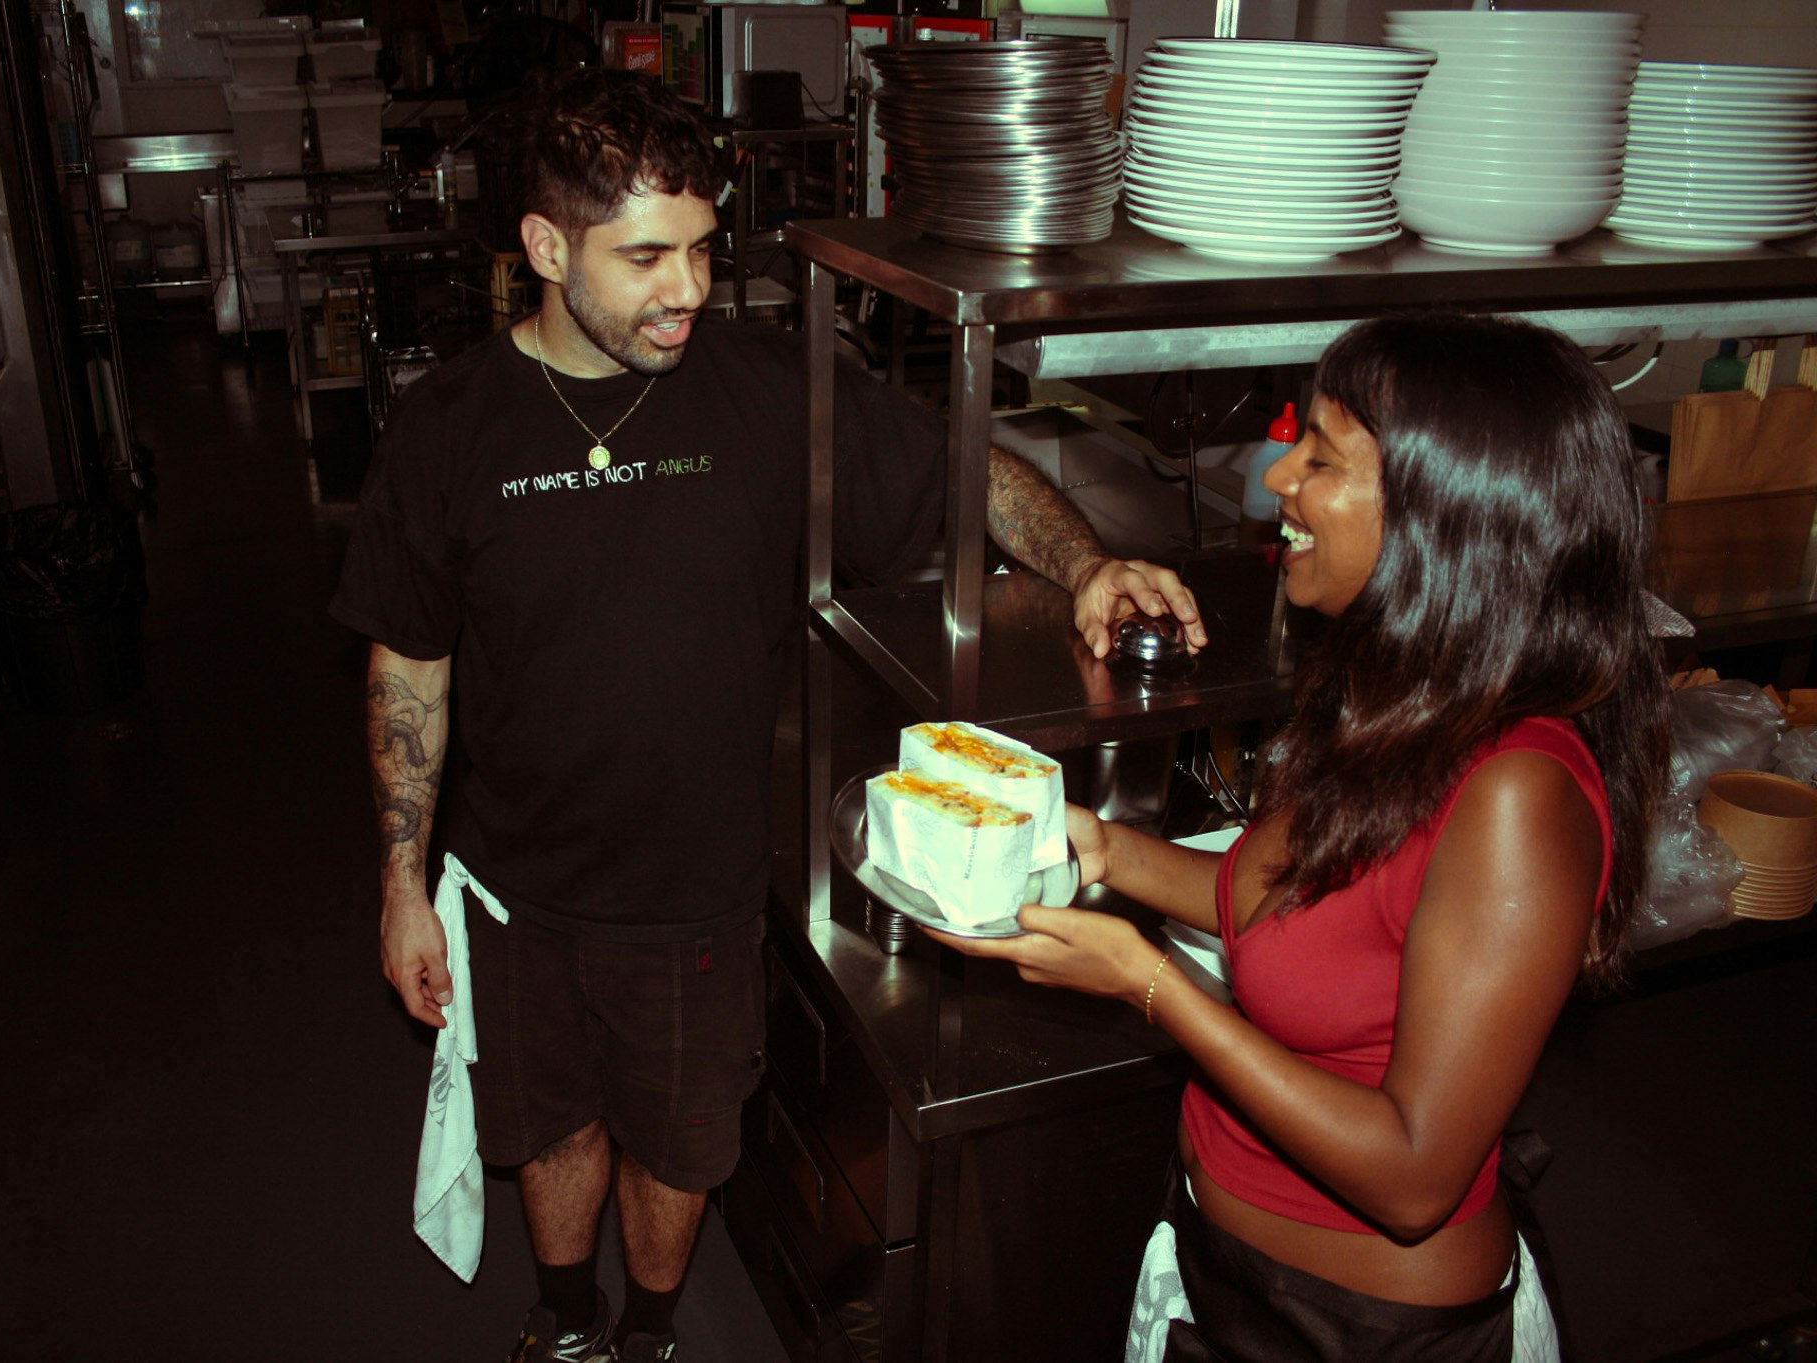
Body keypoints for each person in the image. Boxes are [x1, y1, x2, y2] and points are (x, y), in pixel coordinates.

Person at [329, 68, 1205, 1363]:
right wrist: (404, 879)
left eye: (700, 248)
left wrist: (1086, 566)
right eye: (646, 257)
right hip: (516, 888)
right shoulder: (450, 423)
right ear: (546, 247)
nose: (686, 287)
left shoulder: (764, 396)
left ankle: (653, 1330)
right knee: (550, 1127)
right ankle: (566, 1313)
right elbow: (411, 665)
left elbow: (966, 476)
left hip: (696, 894)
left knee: (684, 1140)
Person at [931, 312, 1671, 1361]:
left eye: (1320, 456)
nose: (1279, 480)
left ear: (1441, 517)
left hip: (1364, 1332)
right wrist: (1098, 844)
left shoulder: (1517, 794)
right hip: (1218, 1267)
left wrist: (1148, 983)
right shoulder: (1387, 697)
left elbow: (1415, 1177)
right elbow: (1276, 900)